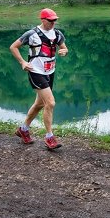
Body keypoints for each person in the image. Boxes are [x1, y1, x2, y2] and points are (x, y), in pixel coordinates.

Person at [9, 8, 68, 149]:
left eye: (55, 20)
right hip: (36, 71)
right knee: (51, 103)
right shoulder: (32, 34)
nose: (53, 23)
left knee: (40, 104)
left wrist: (64, 51)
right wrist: (23, 62)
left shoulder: (58, 34)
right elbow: (13, 47)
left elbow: (64, 48)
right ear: (42, 20)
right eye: (50, 20)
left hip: (50, 72)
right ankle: (49, 138)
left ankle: (23, 130)